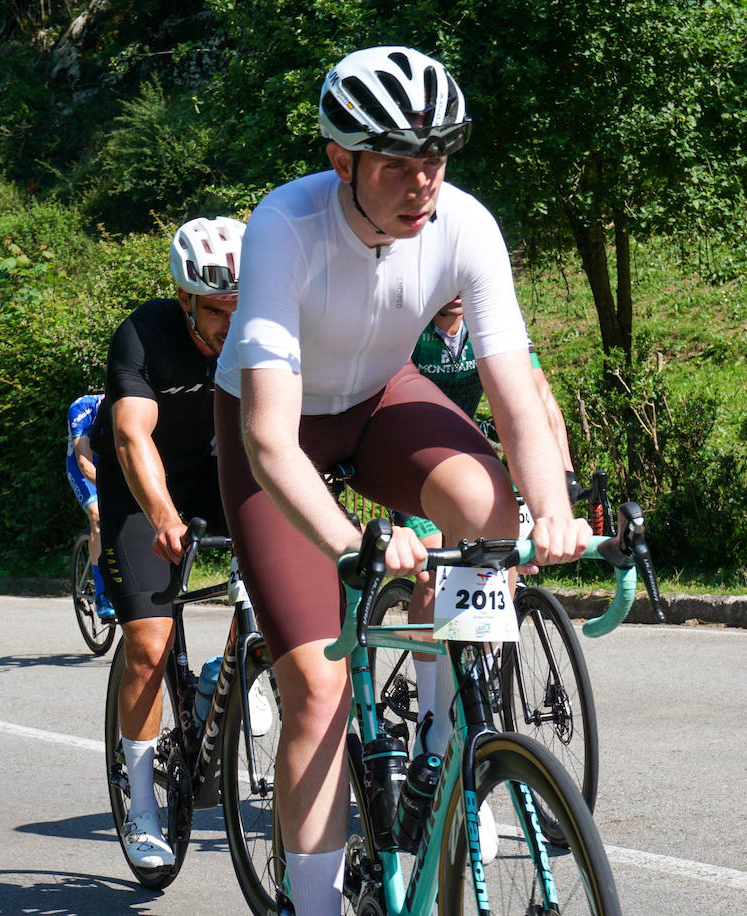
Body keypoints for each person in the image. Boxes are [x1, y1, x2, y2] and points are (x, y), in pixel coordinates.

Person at [213, 46, 591, 915]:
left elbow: (514, 391)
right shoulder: (286, 224)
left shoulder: (466, 224)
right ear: (341, 160)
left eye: (436, 159)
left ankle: (448, 747)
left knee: (485, 505)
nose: (423, 183)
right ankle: (313, 903)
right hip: (282, 429)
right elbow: (269, 439)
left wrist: (556, 508)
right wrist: (354, 543)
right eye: (397, 164)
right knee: (317, 688)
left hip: (384, 396)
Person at [87, 216, 244, 870]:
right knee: (150, 647)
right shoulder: (144, 335)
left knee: (282, 601)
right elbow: (131, 435)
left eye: (240, 307)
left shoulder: (261, 328)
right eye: (215, 311)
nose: (230, 325)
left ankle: (229, 676)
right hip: (140, 484)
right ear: (184, 299)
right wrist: (162, 514)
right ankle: (141, 798)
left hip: (221, 475)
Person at [401, 295, 583, 753]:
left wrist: (564, 479)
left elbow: (538, 397)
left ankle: (475, 684)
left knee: (497, 559)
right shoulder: (408, 317)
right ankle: (429, 724)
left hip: (467, 449)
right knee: (431, 575)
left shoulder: (491, 311)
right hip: (407, 455)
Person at [65, 392, 114, 620]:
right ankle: (103, 593)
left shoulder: (134, 403)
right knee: (97, 518)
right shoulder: (82, 408)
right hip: (82, 467)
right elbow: (84, 464)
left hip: (112, 463)